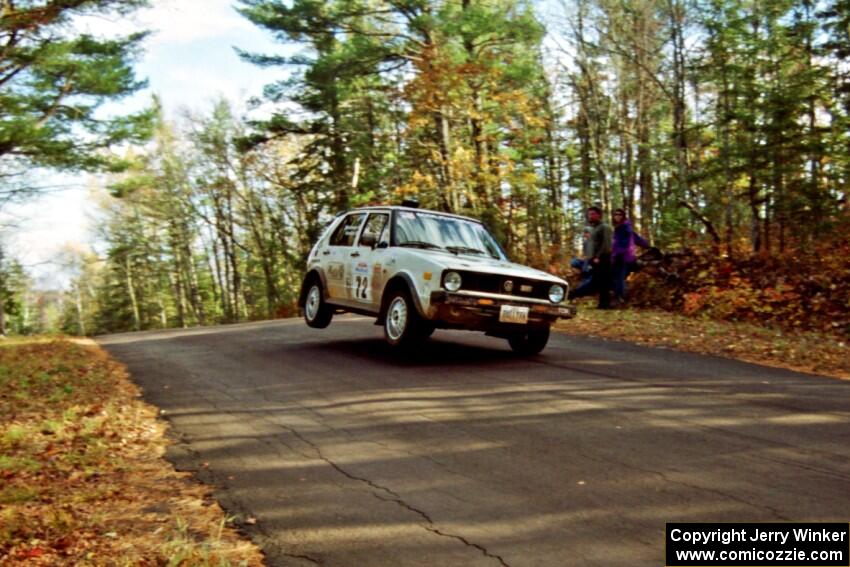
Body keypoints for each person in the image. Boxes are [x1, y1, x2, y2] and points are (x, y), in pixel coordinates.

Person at [568, 207, 613, 309]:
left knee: (603, 282)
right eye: (589, 214)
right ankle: (603, 304)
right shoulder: (591, 229)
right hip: (593, 259)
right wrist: (588, 257)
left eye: (593, 214)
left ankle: (604, 304)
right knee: (598, 282)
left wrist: (598, 257)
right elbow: (589, 244)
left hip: (603, 259)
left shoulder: (605, 227)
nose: (590, 216)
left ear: (599, 215)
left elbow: (606, 244)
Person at [611, 208, 650, 306]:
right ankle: (619, 297)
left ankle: (619, 299)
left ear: (623, 216)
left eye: (620, 214)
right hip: (624, 257)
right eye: (616, 214)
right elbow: (636, 238)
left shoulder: (624, 228)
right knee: (619, 277)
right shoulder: (622, 228)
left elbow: (625, 244)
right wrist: (647, 245)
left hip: (623, 257)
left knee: (619, 277)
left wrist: (616, 254)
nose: (617, 216)